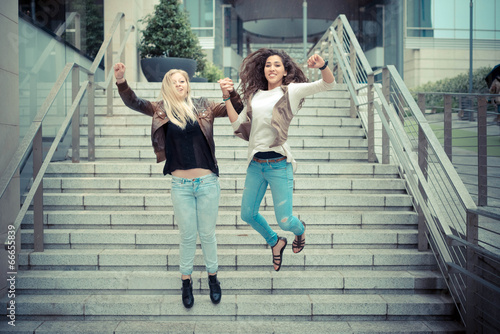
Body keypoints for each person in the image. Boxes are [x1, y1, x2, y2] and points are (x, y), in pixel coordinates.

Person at [114, 63, 243, 308]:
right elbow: (134, 102)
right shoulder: (159, 109)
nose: (179, 84)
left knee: (207, 234)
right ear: (167, 86)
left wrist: (230, 92)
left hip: (207, 183)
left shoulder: (204, 105)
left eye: (182, 80)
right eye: (174, 81)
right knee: (186, 236)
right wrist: (121, 81)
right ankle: (186, 281)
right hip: (180, 185)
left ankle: (213, 278)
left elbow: (235, 109)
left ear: (188, 84)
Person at [219, 49, 335, 271]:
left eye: (277, 65)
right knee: (248, 214)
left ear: (285, 71)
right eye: (268, 65)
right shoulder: (255, 96)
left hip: (279, 165)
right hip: (256, 165)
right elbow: (238, 125)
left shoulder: (290, 91)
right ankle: (276, 242)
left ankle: (299, 230)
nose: (271, 68)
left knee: (286, 221)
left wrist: (322, 66)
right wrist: (227, 98)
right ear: (263, 70)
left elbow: (327, 84)